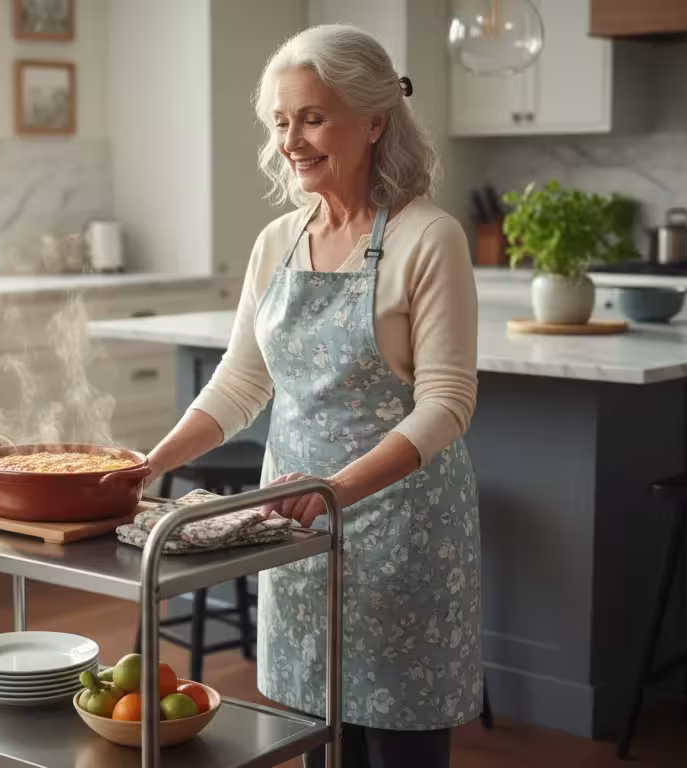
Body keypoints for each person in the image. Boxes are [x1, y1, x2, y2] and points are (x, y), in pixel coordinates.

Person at [146, 23, 481, 768]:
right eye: (281, 121)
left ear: (373, 120)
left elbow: (448, 404)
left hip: (403, 532)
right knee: (314, 740)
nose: (292, 139)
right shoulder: (279, 241)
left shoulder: (430, 237)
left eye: (312, 117)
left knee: (398, 746)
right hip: (295, 531)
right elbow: (241, 380)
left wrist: (337, 488)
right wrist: (149, 465)